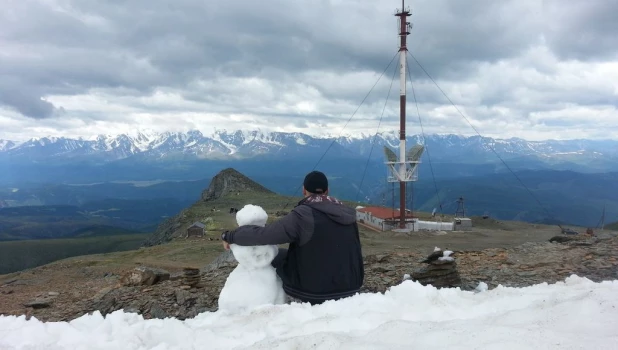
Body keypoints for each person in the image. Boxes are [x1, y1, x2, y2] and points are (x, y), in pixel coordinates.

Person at [221, 170, 364, 305]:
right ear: (327, 191)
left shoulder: (303, 215)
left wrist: (229, 235)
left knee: (273, 255)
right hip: (351, 288)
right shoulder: (347, 213)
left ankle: (259, 297)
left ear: (304, 190)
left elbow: (265, 236)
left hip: (314, 292)